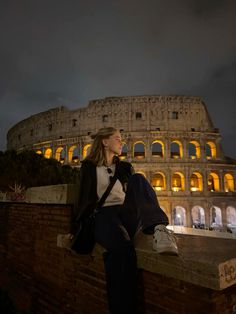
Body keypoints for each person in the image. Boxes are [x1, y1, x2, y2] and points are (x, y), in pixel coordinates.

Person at [69, 127, 178, 314]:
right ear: (104, 142)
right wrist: (75, 226)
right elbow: (82, 197)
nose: (122, 142)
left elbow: (133, 193)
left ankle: (159, 228)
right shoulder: (88, 167)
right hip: (104, 214)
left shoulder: (125, 167)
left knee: (138, 179)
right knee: (122, 250)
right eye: (117, 139)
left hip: (126, 212)